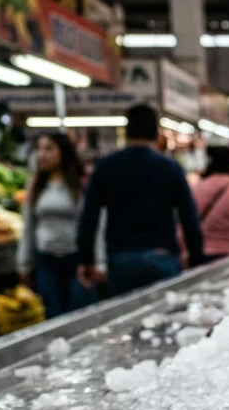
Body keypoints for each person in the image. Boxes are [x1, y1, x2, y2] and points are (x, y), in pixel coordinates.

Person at [77, 104, 205, 297]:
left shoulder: (106, 166)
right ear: (156, 132)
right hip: (162, 257)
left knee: (126, 314)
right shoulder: (170, 168)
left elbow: (89, 217)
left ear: (126, 131)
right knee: (167, 313)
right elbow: (189, 217)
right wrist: (196, 258)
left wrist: (86, 259)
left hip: (121, 259)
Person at [16, 133, 99, 317]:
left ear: (63, 151)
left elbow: (95, 223)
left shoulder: (82, 183)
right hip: (46, 260)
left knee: (81, 315)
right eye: (39, 149)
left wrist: (99, 261)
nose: (42, 154)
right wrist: (24, 264)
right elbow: (28, 225)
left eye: (49, 149)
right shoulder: (36, 184)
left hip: (78, 260)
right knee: (53, 315)